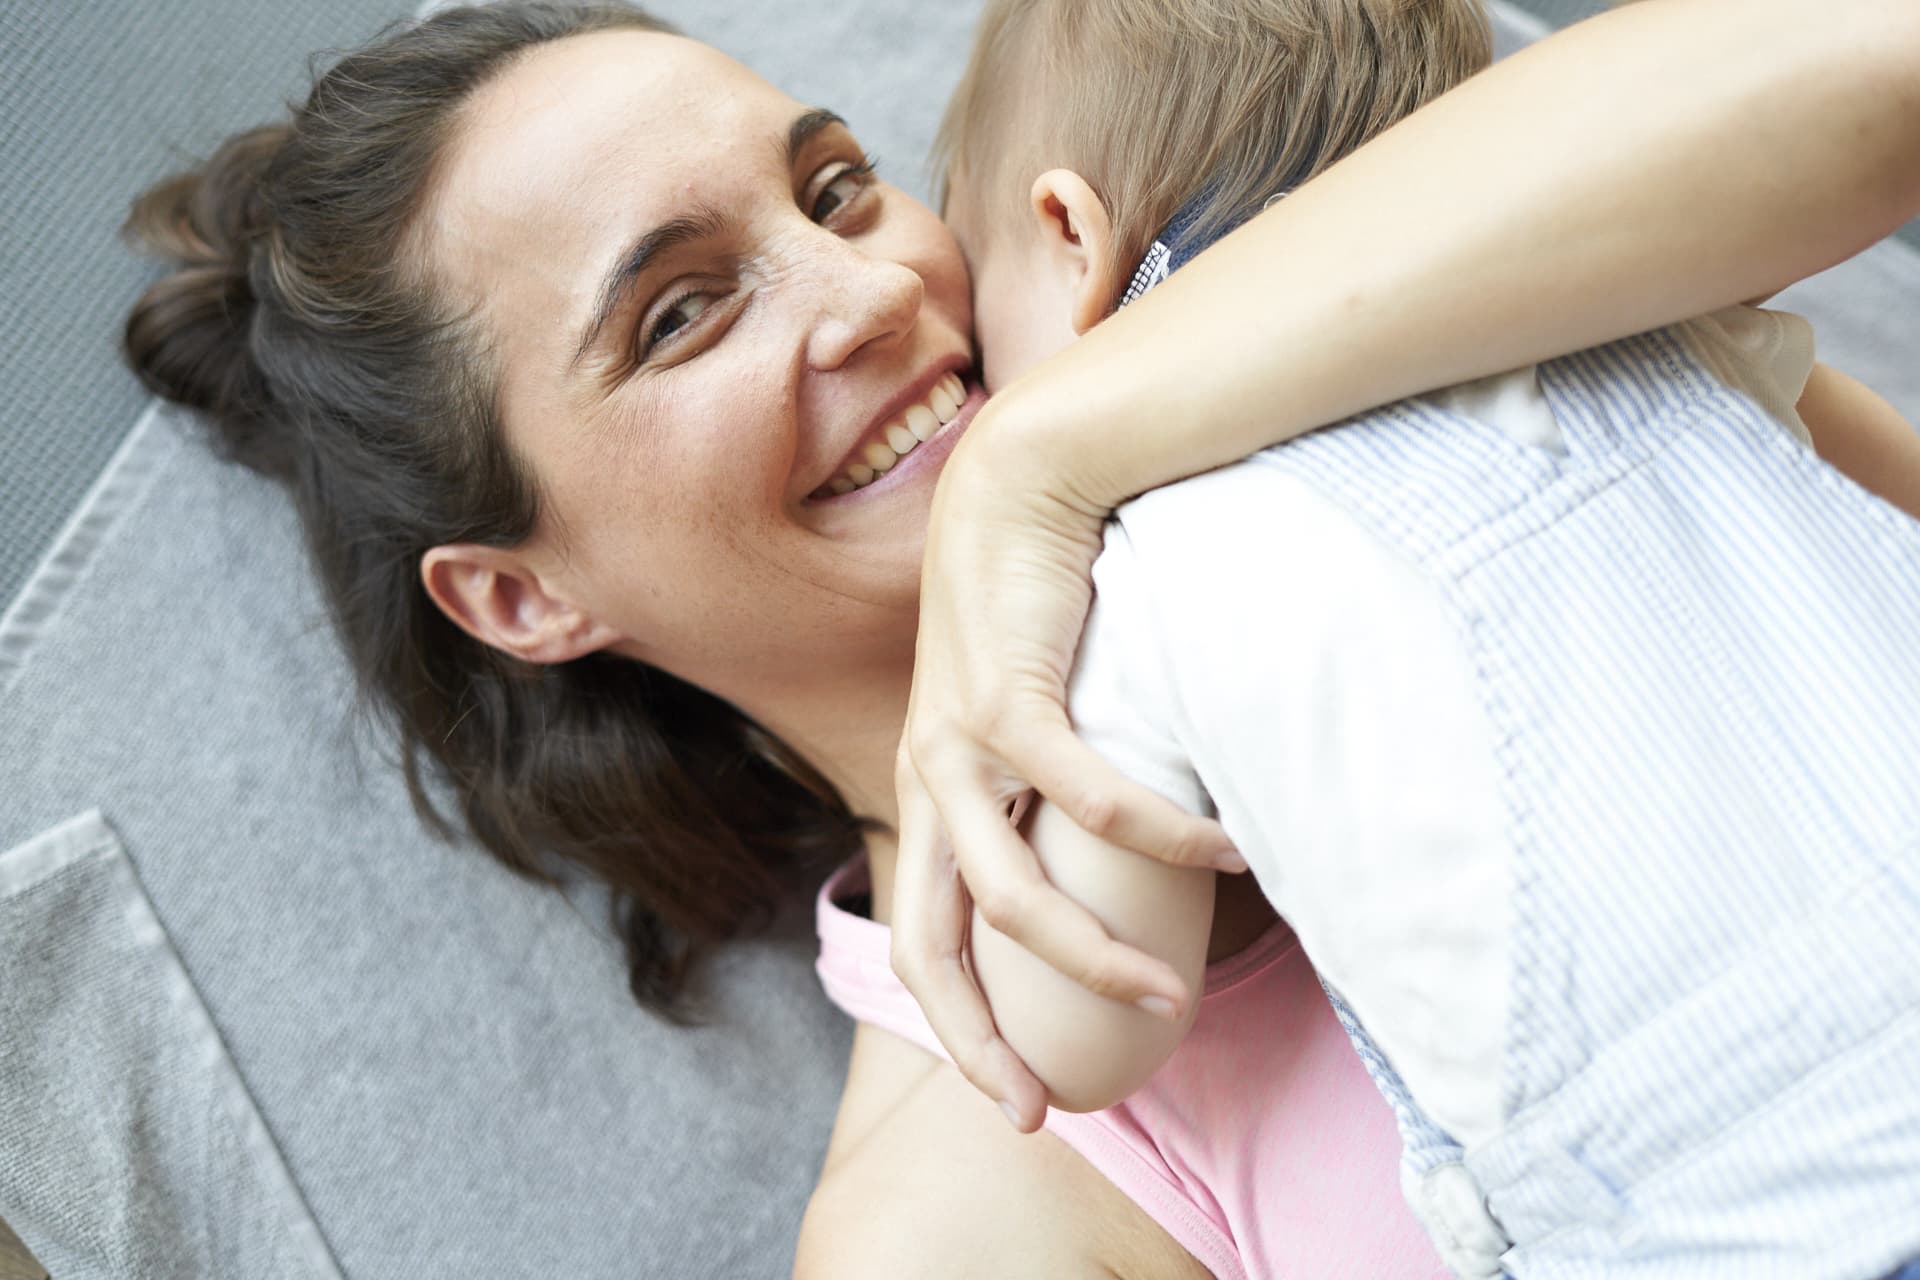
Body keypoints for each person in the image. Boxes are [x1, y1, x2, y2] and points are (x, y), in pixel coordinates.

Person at [115, 2, 1920, 1277]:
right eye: (681, 314)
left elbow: (1868, 62)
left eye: (831, 190)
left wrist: (1047, 465)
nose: (876, 293)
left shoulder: (1447, 348)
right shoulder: (964, 1190)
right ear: (526, 598)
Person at [906, 0, 1920, 1274]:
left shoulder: (1138, 562)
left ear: (1068, 232)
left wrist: (984, 806)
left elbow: (1079, 1032)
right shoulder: (1663, 323)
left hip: (1753, 1217)